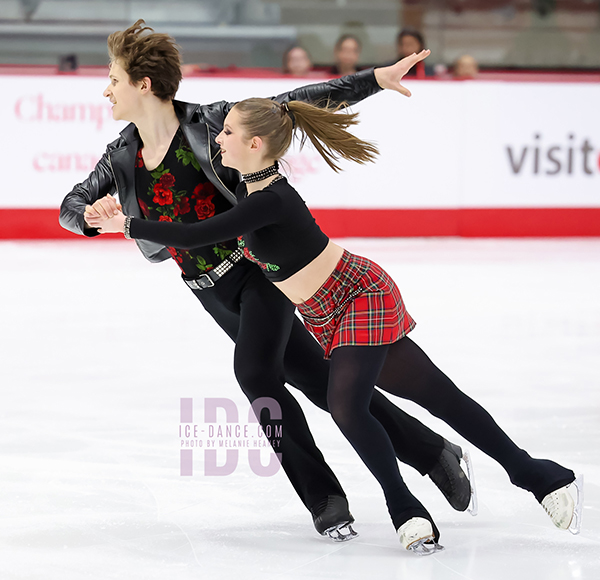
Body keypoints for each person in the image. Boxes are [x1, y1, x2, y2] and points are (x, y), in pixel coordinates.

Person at [90, 94, 583, 555]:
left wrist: (127, 225)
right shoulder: (250, 187)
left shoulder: (271, 199)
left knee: (349, 406)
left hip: (357, 295)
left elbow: (198, 233)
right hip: (326, 310)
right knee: (436, 395)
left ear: (255, 144)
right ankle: (539, 475)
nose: (218, 138)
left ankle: (406, 509)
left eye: (229, 132)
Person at [59, 20, 473, 542]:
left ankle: (323, 497)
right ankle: (433, 452)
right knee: (322, 385)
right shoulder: (121, 156)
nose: (106, 89)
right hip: (210, 293)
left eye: (114, 79)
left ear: (143, 85)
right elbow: (68, 207)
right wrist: (92, 216)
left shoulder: (211, 124)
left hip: (260, 275)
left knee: (255, 374)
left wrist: (373, 80)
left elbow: (295, 101)